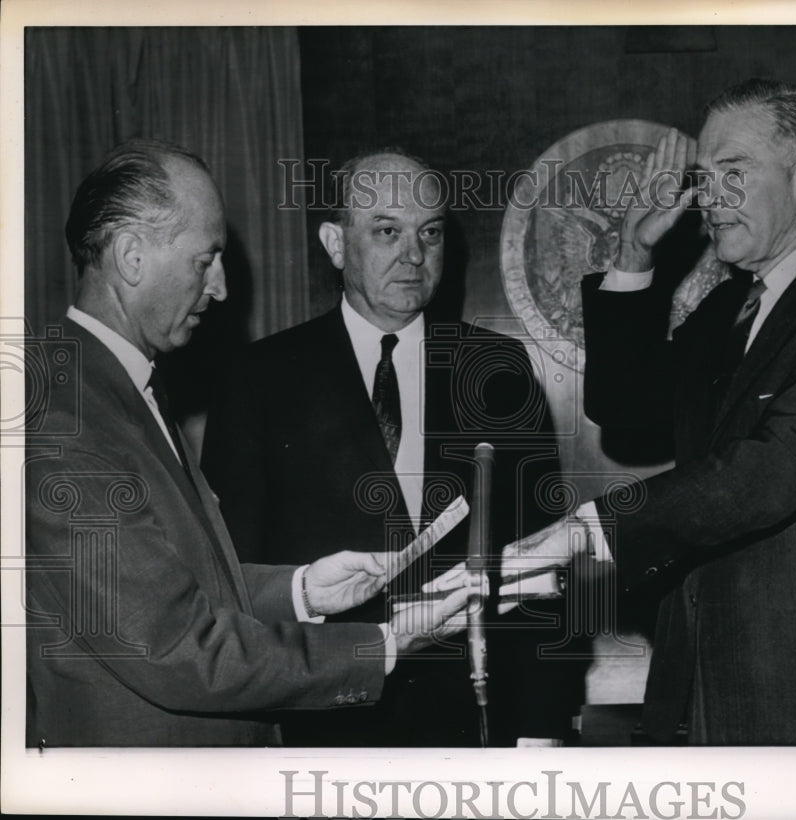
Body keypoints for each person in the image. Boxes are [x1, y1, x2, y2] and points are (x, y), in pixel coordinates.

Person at [25, 139, 473, 748]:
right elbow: (174, 645)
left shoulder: (116, 389)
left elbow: (184, 578)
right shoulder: (65, 416)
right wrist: (383, 644)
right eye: (204, 260)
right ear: (131, 257)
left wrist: (304, 587)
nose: (221, 288)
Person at [501, 79, 796, 745]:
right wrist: (633, 257)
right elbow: (623, 405)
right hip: (696, 673)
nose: (707, 196)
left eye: (734, 171)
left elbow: (770, 467)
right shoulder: (726, 309)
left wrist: (589, 532)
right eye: (703, 175)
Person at [201, 150, 585, 747]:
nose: (413, 254)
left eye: (429, 233)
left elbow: (541, 560)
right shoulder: (259, 378)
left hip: (479, 719)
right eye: (387, 231)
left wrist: (542, 726)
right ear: (335, 244)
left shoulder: (497, 370)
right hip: (331, 721)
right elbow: (234, 577)